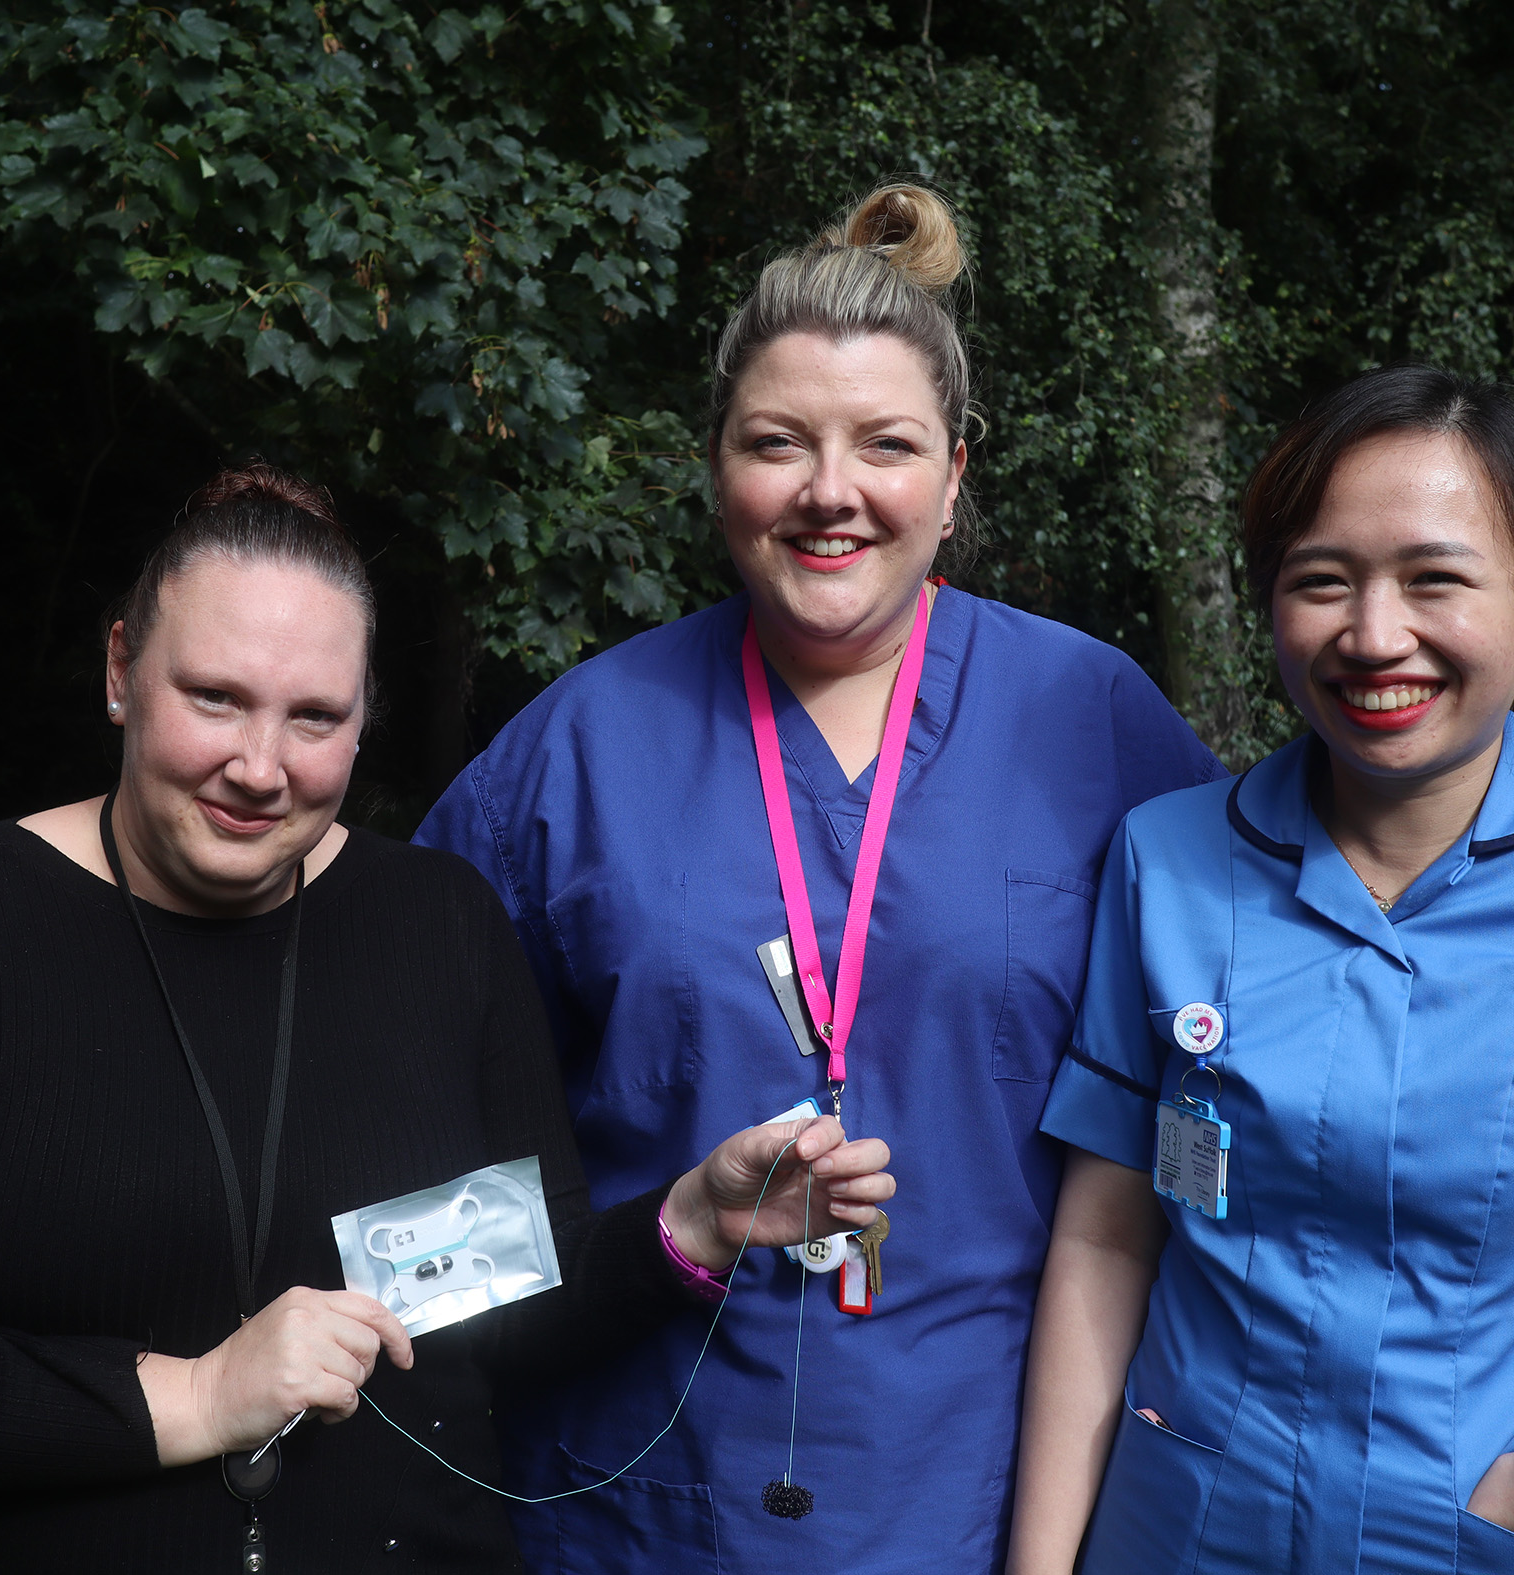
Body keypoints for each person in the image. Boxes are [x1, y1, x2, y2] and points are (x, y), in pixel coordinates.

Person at [0, 463, 894, 1573]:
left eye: (313, 717)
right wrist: (194, 1397)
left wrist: (688, 1224)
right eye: (215, 699)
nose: (259, 765)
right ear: (123, 666)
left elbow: (500, 1311)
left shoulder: (440, 924)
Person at [414, 182, 1224, 1573]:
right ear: (714, 465)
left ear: (957, 476)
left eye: (885, 445)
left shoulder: (1094, 722)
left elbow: (1234, 1055)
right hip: (636, 1483)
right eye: (775, 442)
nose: (828, 490)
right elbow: (406, 1105)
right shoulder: (579, 746)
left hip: (987, 1483)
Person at [1010, 365, 1514, 1574]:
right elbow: (1111, 1234)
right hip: (1180, 1531)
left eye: (1435, 578)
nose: (1373, 635)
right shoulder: (1165, 860)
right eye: (1321, 581)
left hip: (1498, 1541)